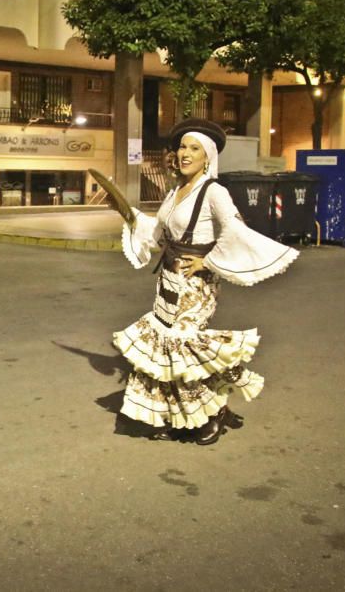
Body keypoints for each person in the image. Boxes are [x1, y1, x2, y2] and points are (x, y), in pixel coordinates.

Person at [110, 119, 298, 445]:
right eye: (183, 147)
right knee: (170, 351)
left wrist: (207, 261)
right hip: (167, 281)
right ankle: (185, 415)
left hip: (196, 286)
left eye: (193, 148)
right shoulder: (175, 192)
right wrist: (129, 215)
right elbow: (158, 233)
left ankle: (213, 412)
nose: (185, 153)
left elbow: (234, 229)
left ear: (207, 156)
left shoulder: (215, 191)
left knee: (186, 349)